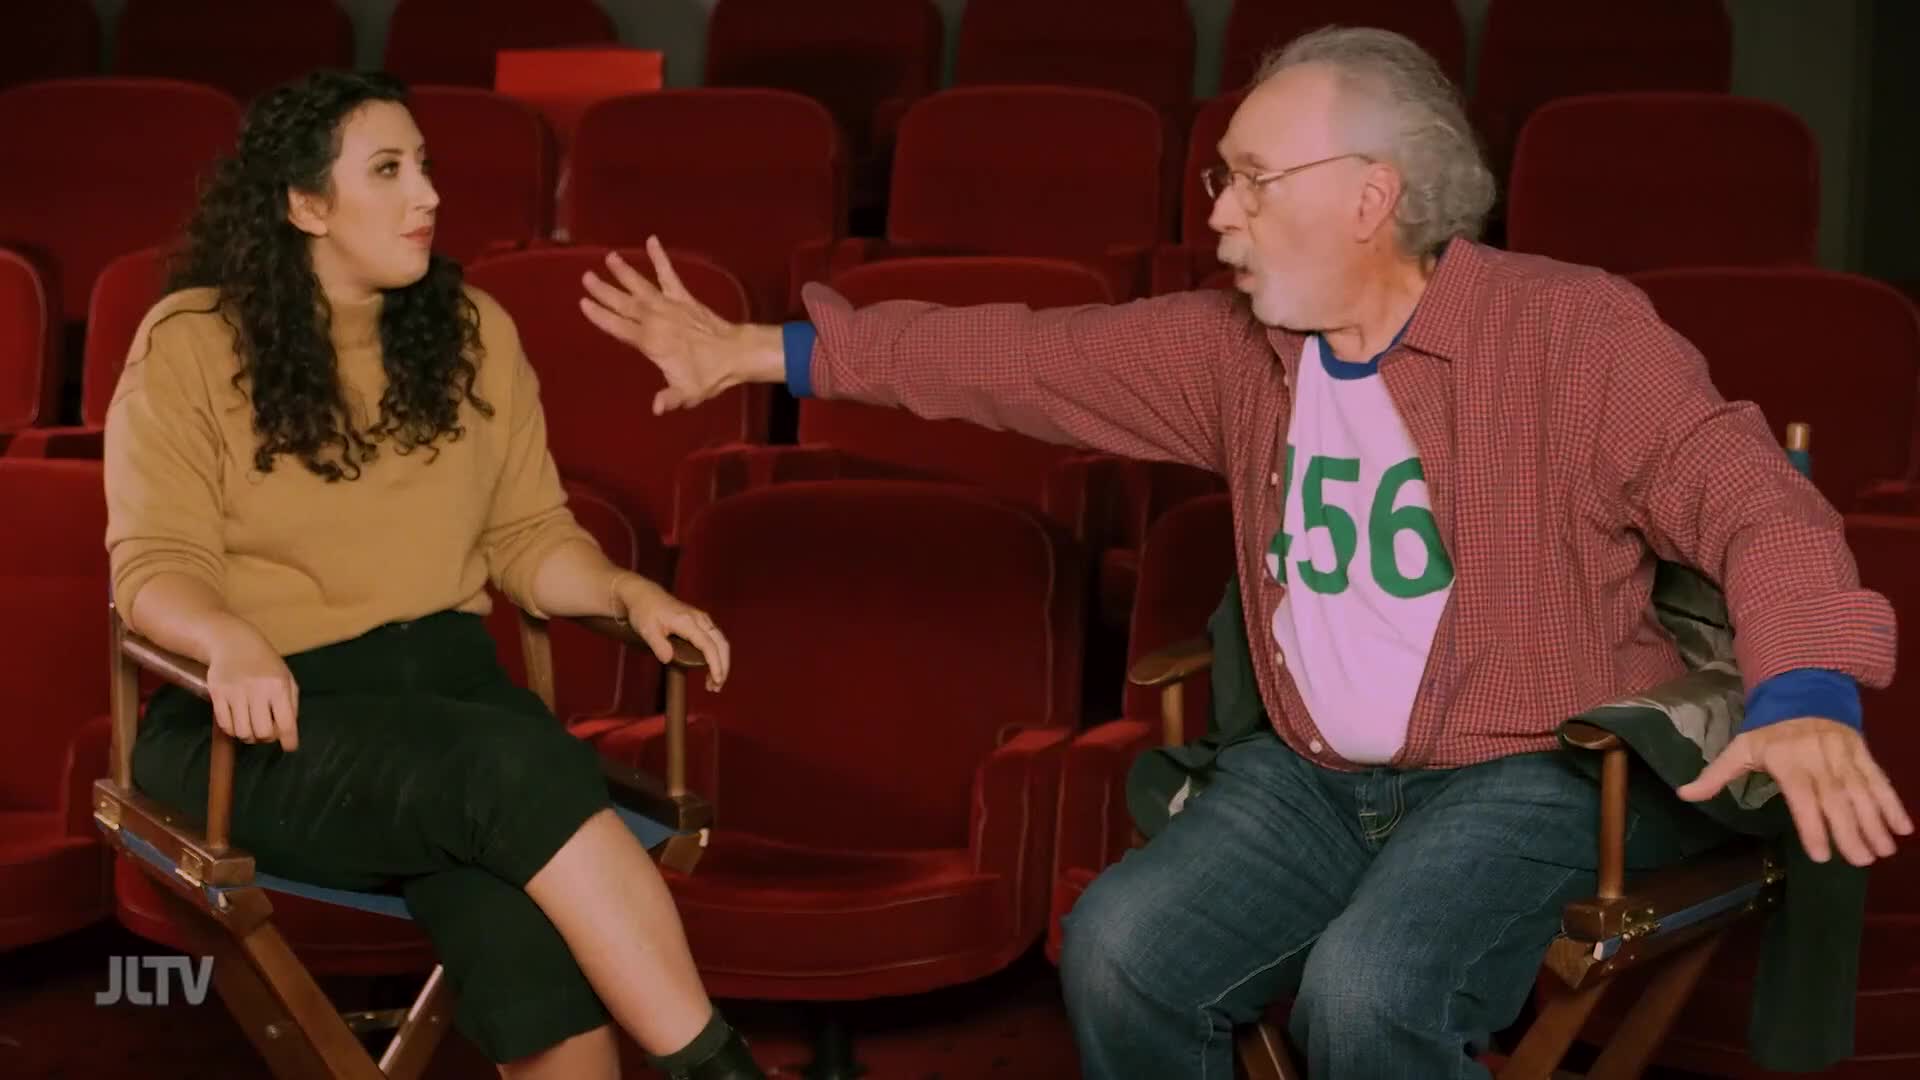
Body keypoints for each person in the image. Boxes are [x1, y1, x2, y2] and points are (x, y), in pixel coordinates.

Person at [579, 26, 1914, 1078]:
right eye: (1220, 176)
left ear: (1374, 197)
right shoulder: (1236, 351)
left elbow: (1754, 503)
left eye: (1253, 179)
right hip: (1312, 773)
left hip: (1527, 768)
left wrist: (1803, 687)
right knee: (1119, 949)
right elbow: (1018, 360)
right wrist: (763, 350)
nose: (1217, 209)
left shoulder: (1571, 335)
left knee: (1370, 993)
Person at [103, 70, 763, 1080]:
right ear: (306, 203)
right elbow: (154, 567)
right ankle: (723, 1069)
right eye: (388, 170)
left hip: (451, 710)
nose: (428, 195)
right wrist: (227, 638)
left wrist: (626, 592)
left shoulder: (474, 331)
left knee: (520, 923)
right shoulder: (189, 343)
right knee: (520, 769)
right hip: (264, 730)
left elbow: (529, 537)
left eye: (424, 166)